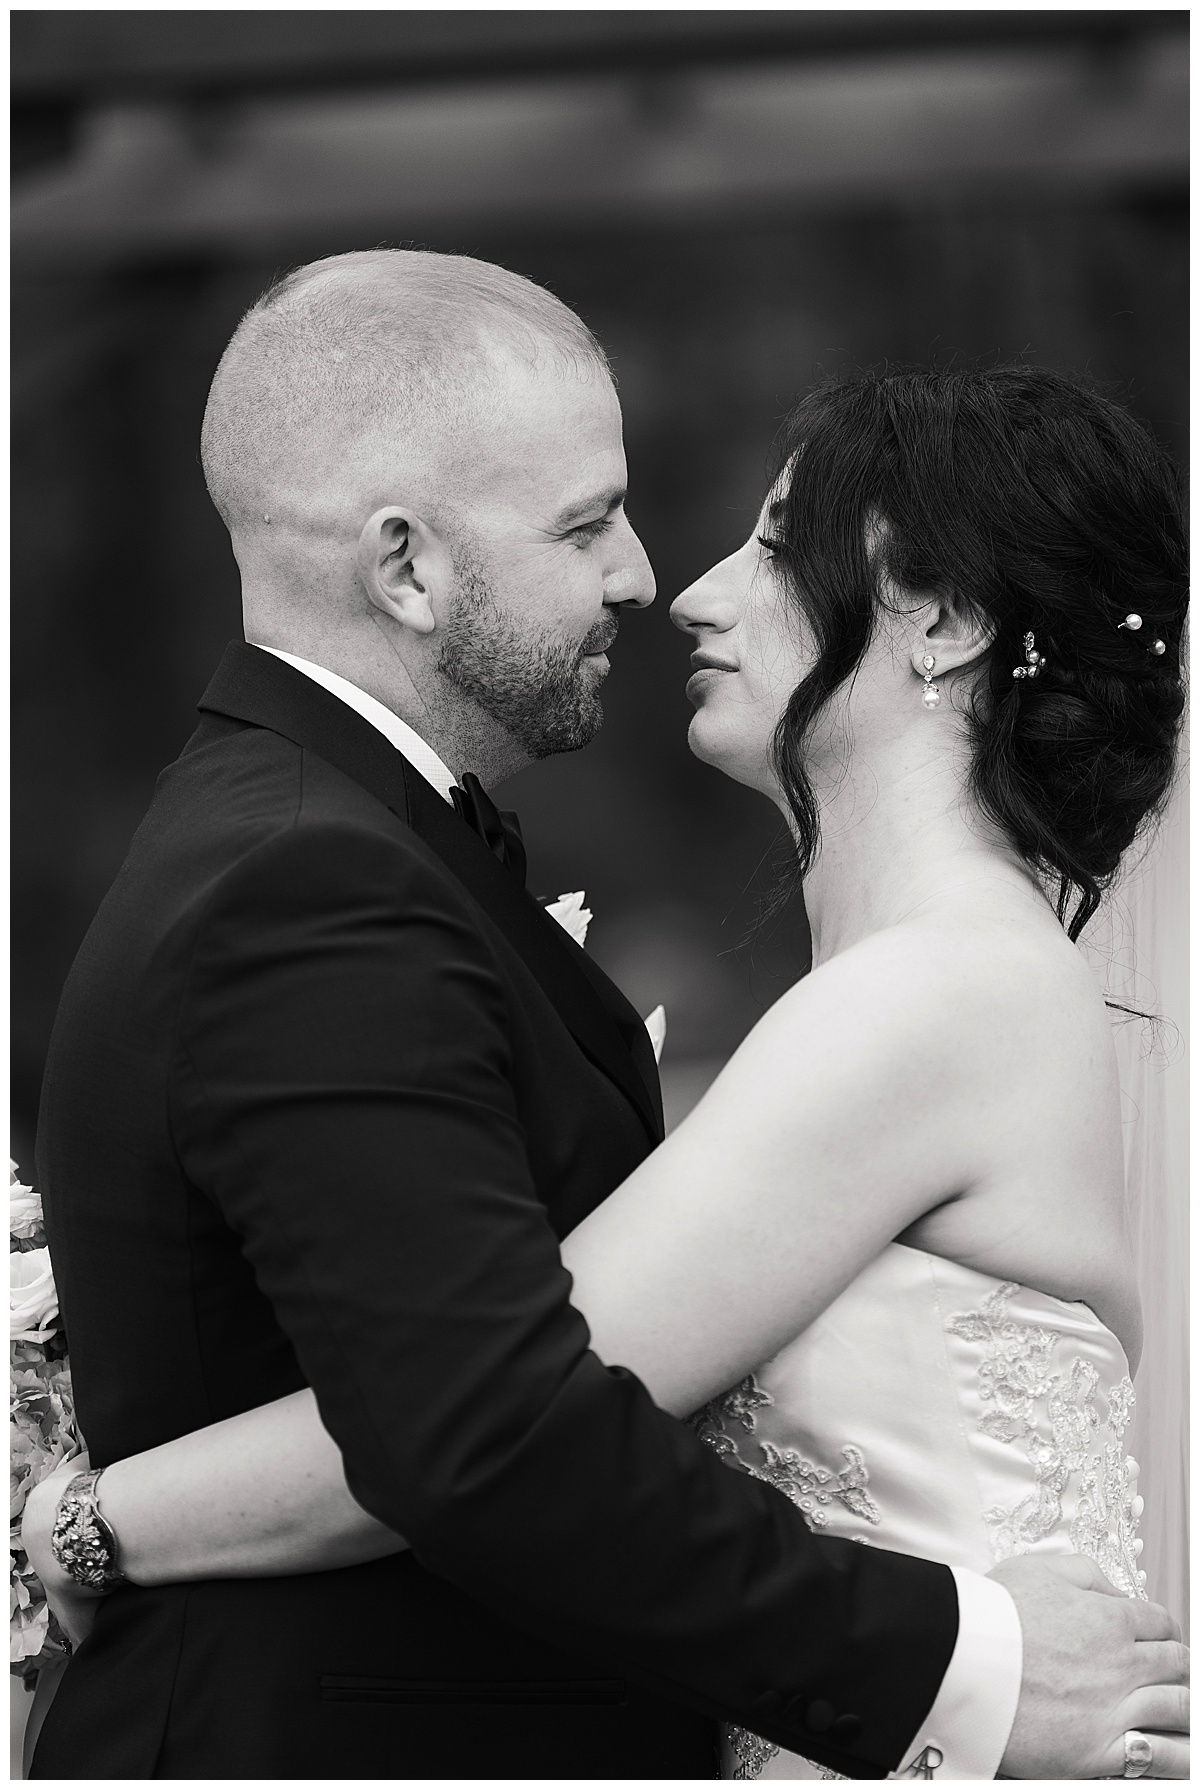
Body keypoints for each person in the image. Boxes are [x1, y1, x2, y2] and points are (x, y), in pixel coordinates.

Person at [25, 254, 1187, 1780]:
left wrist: (93, 1516)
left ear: (944, 624)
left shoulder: (933, 996)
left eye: (773, 544)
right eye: (589, 525)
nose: (673, 584)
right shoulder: (325, 869)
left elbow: (487, 1418)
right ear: (404, 564)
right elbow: (488, 1419)